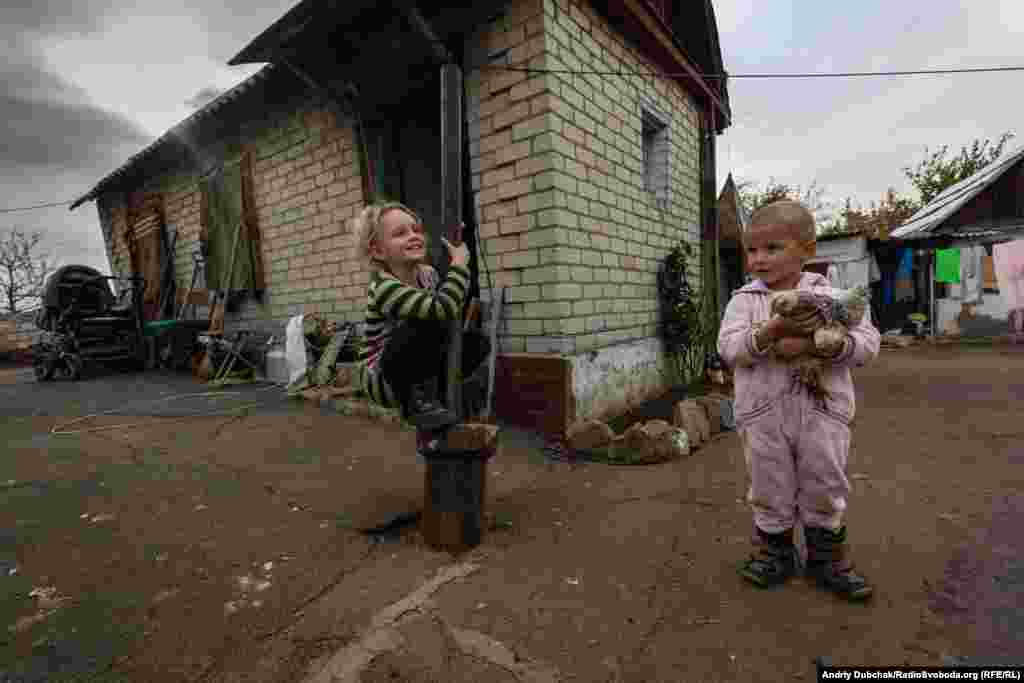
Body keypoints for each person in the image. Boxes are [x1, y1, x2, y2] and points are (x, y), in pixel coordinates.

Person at [717, 200, 881, 601]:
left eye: (772, 249)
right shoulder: (744, 300)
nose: (759, 259)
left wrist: (825, 345)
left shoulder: (834, 298)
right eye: (752, 250)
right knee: (769, 482)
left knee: (824, 480)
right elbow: (729, 348)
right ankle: (775, 553)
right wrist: (771, 331)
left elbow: (868, 343)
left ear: (806, 251)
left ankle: (827, 557)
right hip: (762, 416)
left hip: (823, 411)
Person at [353, 201, 490, 431]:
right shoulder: (384, 286)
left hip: (415, 364)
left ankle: (438, 394)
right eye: (400, 233)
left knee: (477, 343)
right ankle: (415, 404)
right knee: (426, 320)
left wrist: (456, 244)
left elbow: (453, 304)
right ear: (377, 250)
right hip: (383, 379)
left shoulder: (427, 275)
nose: (413, 235)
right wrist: (458, 266)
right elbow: (442, 308)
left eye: (416, 230)